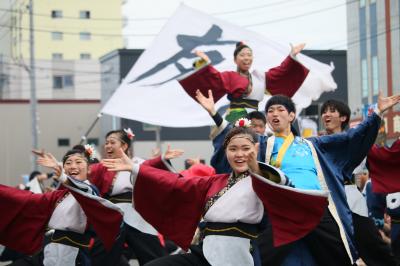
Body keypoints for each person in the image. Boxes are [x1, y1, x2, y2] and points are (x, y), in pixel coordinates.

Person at [197, 88, 400, 265]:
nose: (274, 114)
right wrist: (215, 114)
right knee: (264, 255)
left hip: (316, 204)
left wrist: (377, 113)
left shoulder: (314, 144)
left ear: (292, 115)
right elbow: (236, 141)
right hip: (283, 207)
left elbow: (350, 138)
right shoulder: (262, 144)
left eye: (280, 110)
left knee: (339, 255)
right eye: (270, 111)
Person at [101, 123, 329, 266]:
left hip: (239, 254)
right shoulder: (215, 181)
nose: (239, 154)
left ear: (256, 150)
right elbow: (176, 183)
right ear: (226, 152)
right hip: (205, 251)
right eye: (233, 149)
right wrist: (136, 168)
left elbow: (283, 186)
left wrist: (257, 168)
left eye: (245, 148)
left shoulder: (263, 180)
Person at [0, 145, 123, 266]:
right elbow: (28, 200)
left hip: (73, 251)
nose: (73, 166)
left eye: (78, 162)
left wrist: (62, 176)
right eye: (68, 163)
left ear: (89, 168)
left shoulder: (90, 191)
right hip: (50, 248)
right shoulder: (60, 195)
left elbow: (82, 190)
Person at [320, 99, 397, 266]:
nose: (326, 114)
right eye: (324, 111)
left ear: (343, 118)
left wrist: (378, 112)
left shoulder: (357, 142)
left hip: (351, 201)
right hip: (325, 203)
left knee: (373, 247)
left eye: (332, 111)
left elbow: (384, 160)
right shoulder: (315, 144)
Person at [88, 129, 167, 265]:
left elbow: (153, 172)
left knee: (152, 254)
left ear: (124, 146)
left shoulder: (137, 162)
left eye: (112, 142)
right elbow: (85, 173)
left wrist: (160, 160)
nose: (108, 146)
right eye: (106, 143)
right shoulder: (103, 166)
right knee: (103, 254)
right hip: (113, 213)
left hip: (136, 212)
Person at [179, 42, 309, 122]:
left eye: (249, 55)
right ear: (235, 60)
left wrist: (291, 56)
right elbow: (212, 76)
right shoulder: (230, 77)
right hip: (236, 118)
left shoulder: (260, 77)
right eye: (242, 55)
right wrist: (204, 62)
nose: (246, 58)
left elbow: (281, 72)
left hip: (257, 119)